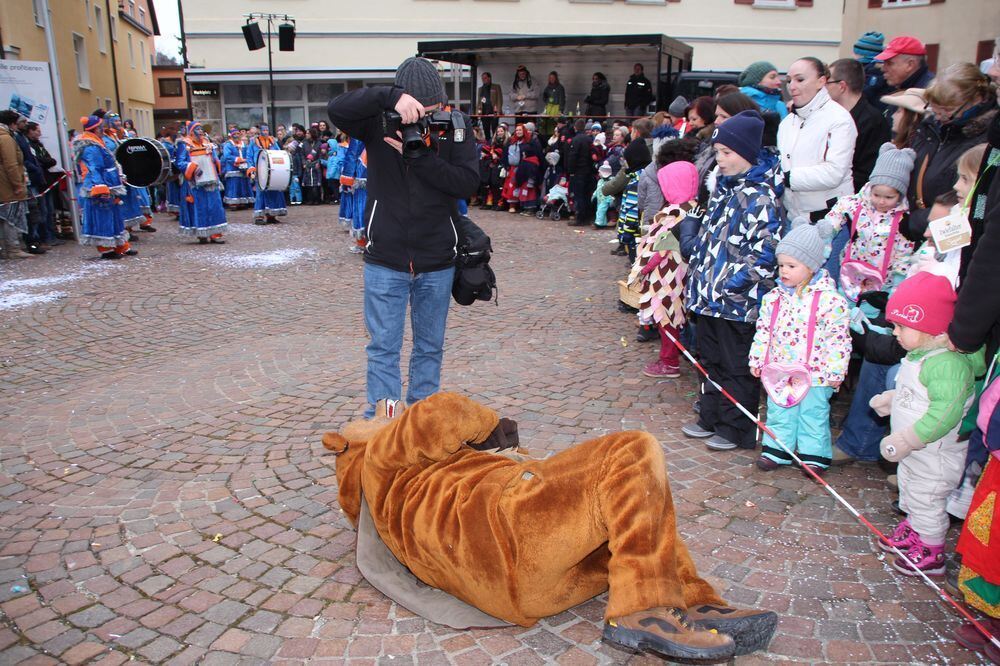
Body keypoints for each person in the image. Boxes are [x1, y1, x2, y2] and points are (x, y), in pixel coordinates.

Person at [326, 392, 779, 662]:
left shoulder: (391, 502)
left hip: (527, 585)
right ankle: (646, 608)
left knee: (633, 512)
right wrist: (492, 429)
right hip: (508, 531)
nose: (386, 417)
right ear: (359, 444)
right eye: (374, 422)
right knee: (631, 456)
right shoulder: (381, 460)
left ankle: (691, 602)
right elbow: (438, 411)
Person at [326, 56, 478, 416]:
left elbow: (467, 183)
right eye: (417, 113)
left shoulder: (455, 126)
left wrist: (422, 157)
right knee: (383, 349)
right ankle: (385, 425)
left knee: (429, 348)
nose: (424, 120)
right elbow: (336, 108)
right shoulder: (378, 122)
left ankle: (420, 426)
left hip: (438, 258)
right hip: (386, 259)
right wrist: (389, 98)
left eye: (431, 111)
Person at [683, 110, 785, 452]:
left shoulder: (760, 197)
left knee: (735, 366)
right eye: (718, 153)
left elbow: (766, 253)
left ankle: (736, 427)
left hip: (737, 303)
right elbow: (712, 240)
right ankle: (710, 416)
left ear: (747, 154)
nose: (720, 160)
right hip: (710, 298)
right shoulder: (724, 191)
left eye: (727, 153)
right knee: (709, 361)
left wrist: (731, 284)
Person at [874, 272, 983, 576]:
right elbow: (916, 394)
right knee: (909, 486)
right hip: (916, 452)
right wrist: (892, 400)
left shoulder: (946, 365)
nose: (895, 333)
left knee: (928, 495)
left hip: (934, 452)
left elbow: (944, 413)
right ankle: (916, 527)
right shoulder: (920, 355)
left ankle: (932, 548)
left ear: (930, 327)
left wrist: (908, 439)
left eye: (901, 326)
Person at [749, 221, 850, 475]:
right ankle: (777, 449)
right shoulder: (774, 298)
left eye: (792, 266)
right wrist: (758, 359)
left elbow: (838, 338)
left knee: (813, 413)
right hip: (781, 368)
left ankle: (813, 454)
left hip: (816, 372)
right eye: (781, 265)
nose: (784, 271)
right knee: (779, 409)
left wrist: (835, 370)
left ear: (812, 266)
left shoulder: (830, 301)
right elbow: (764, 331)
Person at [903, 63, 997, 241]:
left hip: (945, 231)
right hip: (914, 224)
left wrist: (915, 222)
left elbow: (973, 197)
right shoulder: (931, 127)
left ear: (975, 100)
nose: (939, 116)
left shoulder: (984, 140)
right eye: (935, 108)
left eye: (947, 110)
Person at [628, 161, 699, 379]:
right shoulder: (694, 208)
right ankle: (670, 357)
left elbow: (658, 249)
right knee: (673, 315)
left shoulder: (673, 214)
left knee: (666, 317)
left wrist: (639, 271)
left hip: (667, 276)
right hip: (682, 273)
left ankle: (669, 362)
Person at [822, 142, 916, 298]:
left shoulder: (901, 219)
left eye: (889, 197)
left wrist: (899, 280)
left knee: (870, 314)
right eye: (877, 195)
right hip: (851, 273)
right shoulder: (858, 204)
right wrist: (828, 229)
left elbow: (904, 250)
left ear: (900, 195)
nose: (881, 201)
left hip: (883, 280)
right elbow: (839, 209)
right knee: (845, 306)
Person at [777, 57, 857, 222]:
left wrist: (785, 178)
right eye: (789, 80)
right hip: (792, 217)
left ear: (821, 81)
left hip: (829, 220)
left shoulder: (839, 119)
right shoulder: (786, 123)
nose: (792, 86)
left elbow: (834, 172)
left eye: (800, 79)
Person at [71, 115, 133, 259]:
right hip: (100, 185)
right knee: (103, 215)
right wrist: (100, 187)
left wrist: (118, 176)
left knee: (115, 215)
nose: (103, 129)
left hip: (109, 183)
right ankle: (106, 248)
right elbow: (95, 167)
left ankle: (120, 245)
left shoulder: (97, 142)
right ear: (95, 129)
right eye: (100, 127)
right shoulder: (90, 146)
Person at [827, 58, 892, 191]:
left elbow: (867, 172)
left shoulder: (873, 121)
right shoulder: (832, 116)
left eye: (827, 82)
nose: (823, 88)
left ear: (842, 86)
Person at [174, 121, 227, 244]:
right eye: (197, 129)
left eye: (201, 128)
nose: (200, 131)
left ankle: (215, 233)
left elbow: (215, 158)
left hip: (211, 179)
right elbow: (180, 162)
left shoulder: (207, 143)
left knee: (215, 206)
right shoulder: (185, 144)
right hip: (195, 182)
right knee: (200, 207)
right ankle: (202, 233)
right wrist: (193, 168)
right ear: (191, 131)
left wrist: (216, 162)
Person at [0, 110, 34, 259]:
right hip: (6, 184)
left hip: (3, 182)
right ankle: (13, 248)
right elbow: (11, 164)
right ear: (12, 123)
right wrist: (17, 184)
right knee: (11, 216)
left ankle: (8, 247)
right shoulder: (6, 138)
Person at [875, 36, 936, 111]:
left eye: (889, 63)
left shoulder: (930, 93)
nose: (883, 68)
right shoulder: (900, 85)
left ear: (910, 65)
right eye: (884, 63)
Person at [245, 123, 288, 224]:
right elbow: (249, 157)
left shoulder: (273, 142)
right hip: (259, 171)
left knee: (273, 192)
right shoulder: (253, 142)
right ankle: (259, 216)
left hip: (272, 171)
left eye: (267, 130)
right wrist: (251, 170)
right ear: (260, 131)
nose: (265, 132)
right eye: (263, 130)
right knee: (261, 193)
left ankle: (271, 215)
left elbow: (279, 153)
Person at [566, 119, 595, 225]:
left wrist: (571, 170)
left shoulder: (576, 140)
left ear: (575, 127)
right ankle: (587, 216)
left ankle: (580, 218)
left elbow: (573, 157)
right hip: (588, 170)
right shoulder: (589, 139)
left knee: (579, 195)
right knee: (587, 194)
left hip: (578, 171)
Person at [853, 31, 891, 112]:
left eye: (856, 52)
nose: (853, 55)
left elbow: (865, 92)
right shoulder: (867, 68)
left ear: (863, 54)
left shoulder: (874, 71)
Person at [221, 127, 253, 208]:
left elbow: (247, 153)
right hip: (232, 168)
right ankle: (233, 202)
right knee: (234, 185)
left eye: (237, 134)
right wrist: (238, 159)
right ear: (231, 135)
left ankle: (243, 201)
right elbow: (227, 156)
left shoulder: (243, 144)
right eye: (234, 134)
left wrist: (246, 161)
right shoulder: (228, 145)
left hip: (243, 168)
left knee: (243, 184)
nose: (236, 136)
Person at [476, 72, 503, 141]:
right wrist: (478, 112)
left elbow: (500, 99)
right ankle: (488, 144)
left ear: (489, 78)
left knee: (495, 129)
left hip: (494, 111)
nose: (483, 80)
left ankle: (495, 143)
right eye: (482, 78)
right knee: (486, 129)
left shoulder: (496, 87)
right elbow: (479, 101)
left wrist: (498, 111)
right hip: (484, 112)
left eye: (485, 78)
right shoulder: (481, 89)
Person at [541, 71, 566, 136]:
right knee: (548, 123)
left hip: (556, 108)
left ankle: (556, 136)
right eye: (550, 78)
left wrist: (560, 110)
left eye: (553, 77)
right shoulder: (547, 87)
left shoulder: (560, 87)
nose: (551, 79)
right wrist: (546, 100)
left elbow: (562, 99)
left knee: (555, 123)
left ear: (556, 78)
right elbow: (544, 97)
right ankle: (548, 137)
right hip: (549, 108)